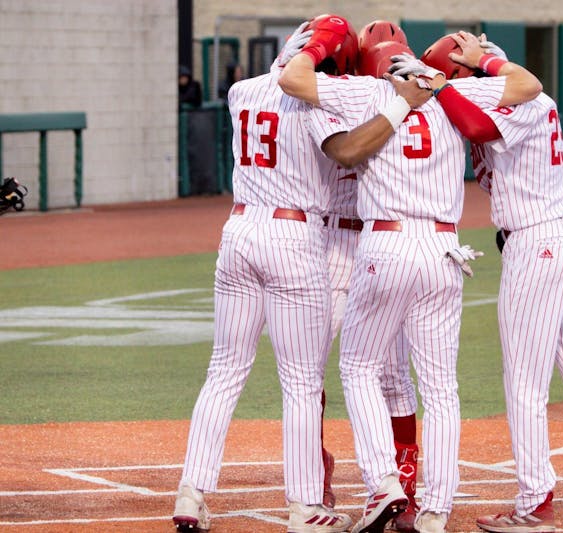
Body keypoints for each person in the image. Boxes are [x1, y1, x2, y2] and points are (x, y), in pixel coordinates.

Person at [280, 23, 541, 533]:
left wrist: (314, 46)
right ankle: (435, 510)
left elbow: (292, 81)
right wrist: (479, 61)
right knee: (441, 386)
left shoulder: (365, 90)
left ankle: (384, 484)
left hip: (386, 241)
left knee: (358, 368)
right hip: (445, 246)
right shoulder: (453, 89)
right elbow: (528, 85)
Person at [418, 35, 563, 532]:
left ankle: (534, 502)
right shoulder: (506, 95)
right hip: (560, 237)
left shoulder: (523, 95)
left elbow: (476, 120)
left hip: (540, 240)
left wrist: (442, 84)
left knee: (525, 380)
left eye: (460, 77)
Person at [172, 19, 358, 533]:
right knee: (301, 381)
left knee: (224, 369)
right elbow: (345, 153)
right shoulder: (315, 100)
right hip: (292, 236)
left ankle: (191, 492)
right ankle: (304, 506)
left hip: (239, 229)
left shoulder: (240, 90)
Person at [317, 20, 422, 532]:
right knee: (323, 369)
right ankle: (327, 475)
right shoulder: (412, 99)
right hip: (351, 242)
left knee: (376, 372)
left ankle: (398, 488)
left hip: (371, 243)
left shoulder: (340, 93)